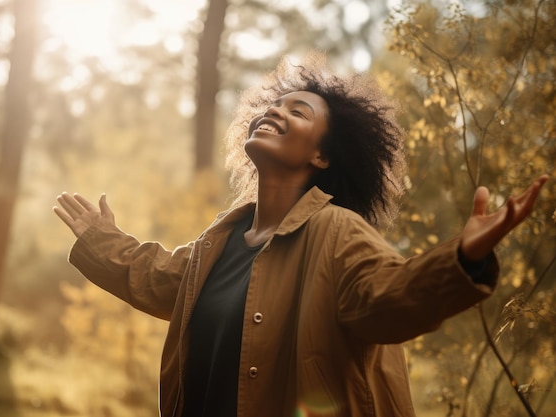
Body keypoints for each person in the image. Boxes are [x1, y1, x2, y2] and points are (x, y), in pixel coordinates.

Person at [53, 54, 548, 417]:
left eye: (299, 112)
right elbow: (157, 277)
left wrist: (463, 258)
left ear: (322, 158)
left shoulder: (336, 233)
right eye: (276, 106)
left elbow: (389, 298)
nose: (276, 112)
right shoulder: (219, 242)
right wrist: (102, 241)